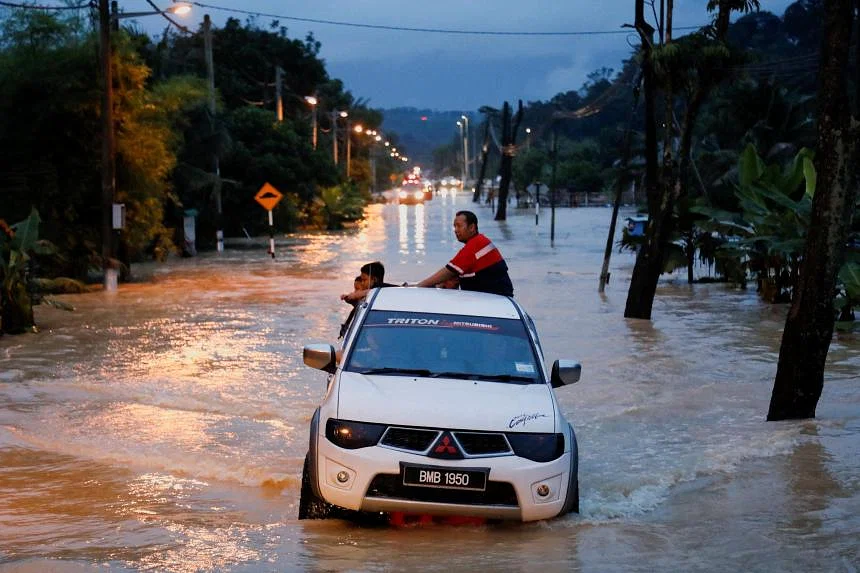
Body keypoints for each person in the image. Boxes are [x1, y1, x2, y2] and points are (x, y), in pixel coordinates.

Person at [415, 210, 514, 296]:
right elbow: (456, 271)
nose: (456, 230)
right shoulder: (479, 242)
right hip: (496, 296)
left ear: (472, 227)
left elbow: (449, 271)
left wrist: (419, 286)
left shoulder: (477, 244)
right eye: (454, 226)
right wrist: (439, 284)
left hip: (495, 298)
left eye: (459, 226)